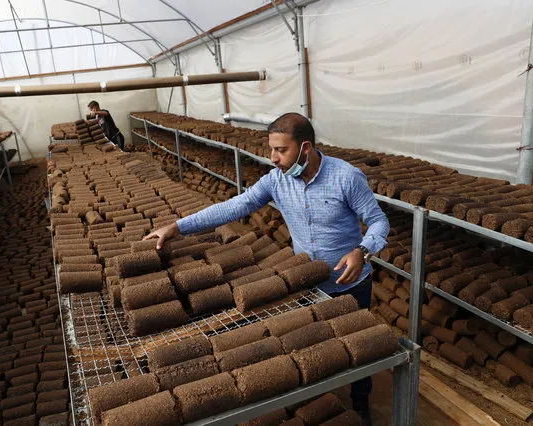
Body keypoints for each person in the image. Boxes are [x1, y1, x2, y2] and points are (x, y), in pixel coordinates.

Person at [144, 112, 389, 424]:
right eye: (271, 149)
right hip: (309, 281)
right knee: (312, 343)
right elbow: (234, 206)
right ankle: (320, 401)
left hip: (352, 283)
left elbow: (379, 220)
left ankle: (360, 402)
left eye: (281, 150)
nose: (273, 157)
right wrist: (177, 227)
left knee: (360, 347)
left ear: (305, 148)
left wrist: (362, 251)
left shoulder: (346, 177)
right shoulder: (276, 181)